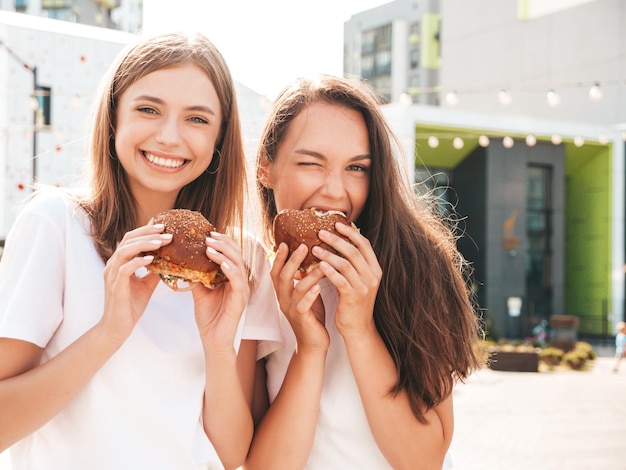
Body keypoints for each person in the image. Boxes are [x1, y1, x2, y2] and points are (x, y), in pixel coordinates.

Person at [0, 32, 281, 470]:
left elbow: (230, 456)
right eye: (148, 110)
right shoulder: (56, 223)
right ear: (114, 117)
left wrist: (219, 348)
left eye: (197, 119)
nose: (170, 137)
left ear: (220, 138)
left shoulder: (237, 259)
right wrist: (109, 332)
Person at [245, 74, 483, 470]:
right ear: (266, 168)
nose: (336, 191)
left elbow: (425, 461)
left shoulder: (417, 267)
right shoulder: (252, 282)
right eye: (310, 163)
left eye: (357, 168)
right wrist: (311, 348)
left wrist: (358, 327)